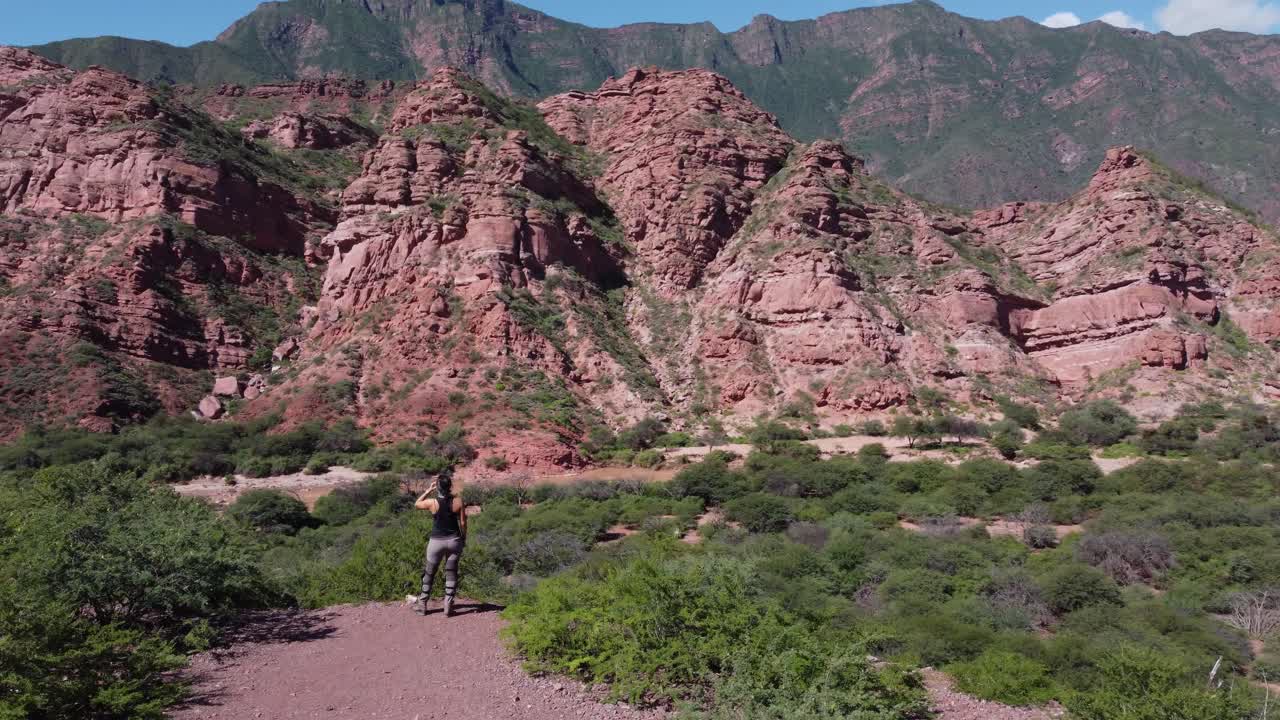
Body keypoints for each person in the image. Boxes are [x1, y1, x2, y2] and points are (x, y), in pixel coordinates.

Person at [413, 473, 467, 616]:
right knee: (451, 572)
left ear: (437, 487)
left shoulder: (432, 502)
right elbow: (462, 522)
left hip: (436, 542)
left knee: (429, 572)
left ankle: (423, 604)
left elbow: (416, 504)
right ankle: (447, 606)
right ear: (450, 486)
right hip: (454, 541)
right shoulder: (458, 501)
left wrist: (427, 491)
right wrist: (463, 538)